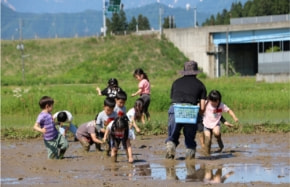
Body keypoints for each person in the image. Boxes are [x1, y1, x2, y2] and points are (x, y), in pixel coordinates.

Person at [165, 61, 207, 160]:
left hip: (176, 109)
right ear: (196, 73)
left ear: (184, 72)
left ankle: (171, 145)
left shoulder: (176, 82)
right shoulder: (200, 85)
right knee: (190, 139)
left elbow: (173, 99)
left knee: (173, 135)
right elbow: (202, 107)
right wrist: (199, 115)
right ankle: (190, 157)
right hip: (190, 111)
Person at [203, 90, 239, 156]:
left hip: (215, 124)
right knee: (207, 140)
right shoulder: (206, 103)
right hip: (206, 125)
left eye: (215, 102)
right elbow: (199, 105)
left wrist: (234, 117)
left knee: (216, 133)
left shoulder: (221, 105)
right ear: (209, 99)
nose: (214, 103)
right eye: (212, 102)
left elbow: (229, 111)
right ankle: (207, 154)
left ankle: (219, 141)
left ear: (219, 100)